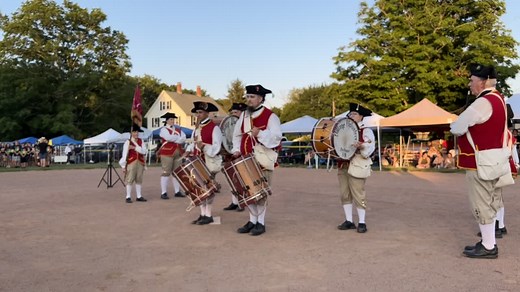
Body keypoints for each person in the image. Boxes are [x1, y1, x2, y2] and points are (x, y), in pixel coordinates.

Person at [450, 64, 506, 259]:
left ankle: (489, 246)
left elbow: (457, 127)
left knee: (481, 202)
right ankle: (488, 242)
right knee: (490, 202)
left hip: (479, 161)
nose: (470, 84)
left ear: (482, 82)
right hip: (494, 160)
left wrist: (454, 124)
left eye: (472, 81)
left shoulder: (482, 102)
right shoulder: (499, 99)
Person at [231, 84, 283, 236]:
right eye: (247, 97)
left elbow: (276, 139)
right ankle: (252, 220)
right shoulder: (244, 115)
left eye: (252, 97)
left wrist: (260, 133)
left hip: (261, 160)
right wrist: (236, 149)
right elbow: (237, 135)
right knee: (248, 192)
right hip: (245, 159)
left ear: (260, 99)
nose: (249, 100)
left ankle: (261, 222)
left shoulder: (271, 116)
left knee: (260, 193)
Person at [336, 103, 375, 233]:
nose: (351, 116)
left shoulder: (366, 130)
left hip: (357, 163)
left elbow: (370, 148)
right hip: (343, 164)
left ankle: (362, 222)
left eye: (354, 114)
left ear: (361, 117)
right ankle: (349, 221)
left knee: (358, 194)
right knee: (344, 194)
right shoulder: (343, 128)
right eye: (350, 113)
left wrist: (362, 146)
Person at [186, 101, 223, 225]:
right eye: (197, 112)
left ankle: (208, 215)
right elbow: (194, 143)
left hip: (208, 162)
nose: (198, 115)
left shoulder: (214, 128)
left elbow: (217, 147)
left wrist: (205, 148)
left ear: (207, 113)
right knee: (199, 188)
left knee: (209, 189)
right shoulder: (197, 128)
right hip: (197, 162)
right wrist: (189, 150)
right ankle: (202, 214)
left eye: (200, 112)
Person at [223, 102, 247, 212]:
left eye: (236, 112)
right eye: (232, 112)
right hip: (231, 153)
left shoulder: (246, 124)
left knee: (242, 180)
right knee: (232, 179)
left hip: (241, 153)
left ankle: (242, 202)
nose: (233, 115)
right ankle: (234, 202)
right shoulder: (231, 124)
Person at [158, 112, 186, 199]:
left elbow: (183, 138)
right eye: (171, 119)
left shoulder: (178, 130)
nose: (172, 121)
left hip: (178, 153)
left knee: (177, 173)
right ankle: (164, 192)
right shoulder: (163, 130)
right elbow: (168, 138)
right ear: (167, 121)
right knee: (166, 172)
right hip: (167, 153)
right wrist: (178, 138)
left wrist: (176, 139)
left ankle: (177, 191)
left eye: (173, 119)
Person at [119, 124, 148, 203]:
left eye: (137, 132)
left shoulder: (141, 141)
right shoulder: (127, 142)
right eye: (134, 132)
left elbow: (144, 151)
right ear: (131, 133)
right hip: (131, 162)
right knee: (130, 179)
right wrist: (123, 166)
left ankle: (139, 196)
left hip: (140, 162)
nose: (136, 133)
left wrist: (135, 148)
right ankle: (128, 196)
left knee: (139, 179)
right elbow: (124, 155)